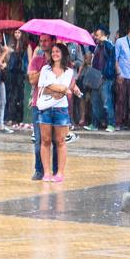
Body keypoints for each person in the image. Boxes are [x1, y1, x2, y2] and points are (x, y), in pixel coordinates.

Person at [36, 42, 74, 183]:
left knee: (60, 141)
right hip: (45, 108)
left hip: (61, 109)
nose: (54, 54)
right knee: (45, 140)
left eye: (57, 51)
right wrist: (60, 89)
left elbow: (64, 87)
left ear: (63, 54)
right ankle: (46, 172)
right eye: (53, 52)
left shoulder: (69, 71)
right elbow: (43, 88)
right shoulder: (45, 69)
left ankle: (60, 173)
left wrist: (53, 87)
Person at [91, 27, 116, 131]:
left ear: (102, 35)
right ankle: (94, 124)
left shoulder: (109, 46)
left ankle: (111, 124)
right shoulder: (97, 46)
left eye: (97, 35)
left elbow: (111, 62)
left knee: (107, 101)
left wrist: (104, 75)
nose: (95, 37)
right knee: (95, 101)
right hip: (96, 77)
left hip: (105, 78)